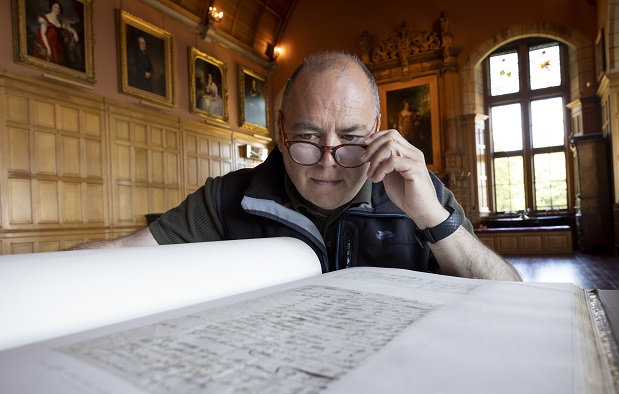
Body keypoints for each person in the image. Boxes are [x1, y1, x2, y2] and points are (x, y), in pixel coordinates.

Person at [72, 51, 521, 281]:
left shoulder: (422, 192)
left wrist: (431, 219)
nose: (329, 164)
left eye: (350, 139)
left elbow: (508, 298)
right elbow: (124, 256)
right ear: (281, 128)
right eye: (308, 139)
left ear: (379, 129)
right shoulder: (228, 198)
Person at [33, 0, 79, 67]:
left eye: (59, 8)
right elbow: (42, 33)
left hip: (58, 44)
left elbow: (68, 28)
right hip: (48, 43)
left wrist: (75, 32)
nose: (57, 9)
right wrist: (48, 48)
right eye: (55, 7)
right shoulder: (45, 17)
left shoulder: (59, 22)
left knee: (59, 63)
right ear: (51, 7)